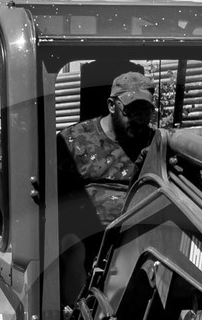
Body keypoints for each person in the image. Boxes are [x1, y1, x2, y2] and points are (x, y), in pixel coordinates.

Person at [55, 69, 157, 282]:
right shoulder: (73, 141)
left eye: (145, 111)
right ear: (112, 105)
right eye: (132, 111)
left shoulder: (155, 143)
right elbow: (55, 200)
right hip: (86, 235)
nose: (140, 119)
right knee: (70, 247)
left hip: (140, 230)